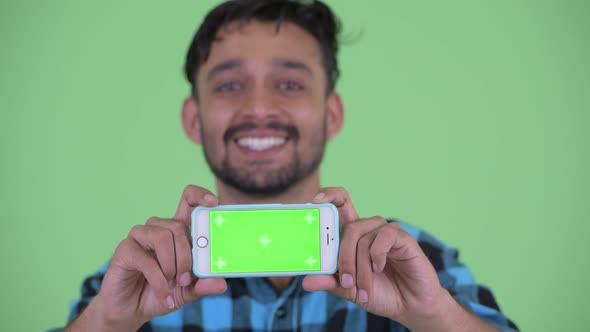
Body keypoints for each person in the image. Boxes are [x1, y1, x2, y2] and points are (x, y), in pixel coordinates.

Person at [58, 0, 518, 331]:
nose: (259, 107)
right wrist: (108, 323)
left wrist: (432, 316)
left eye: (290, 84)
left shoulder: (417, 264)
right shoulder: (134, 280)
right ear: (194, 119)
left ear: (331, 113)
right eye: (230, 85)